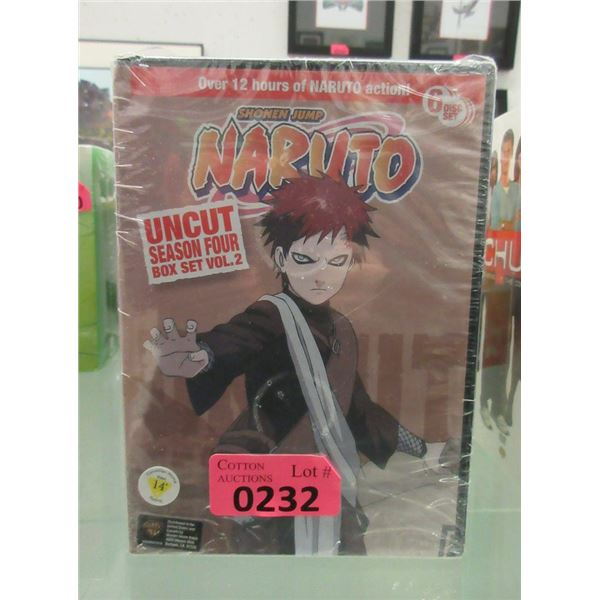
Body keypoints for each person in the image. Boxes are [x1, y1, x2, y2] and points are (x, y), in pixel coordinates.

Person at [144, 173, 451, 555]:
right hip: (266, 471)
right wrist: (201, 357)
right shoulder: (272, 315)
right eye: (305, 259)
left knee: (341, 558)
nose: (321, 275)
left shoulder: (341, 328)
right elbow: (236, 339)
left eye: (337, 261)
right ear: (280, 258)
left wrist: (421, 449)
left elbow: (356, 407)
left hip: (326, 481)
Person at [490, 129, 519, 231]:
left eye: (508, 151)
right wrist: (511, 223)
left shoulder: (517, 189)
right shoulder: (495, 190)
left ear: (512, 154)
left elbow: (519, 225)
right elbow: (494, 225)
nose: (505, 157)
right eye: (503, 151)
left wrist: (504, 224)